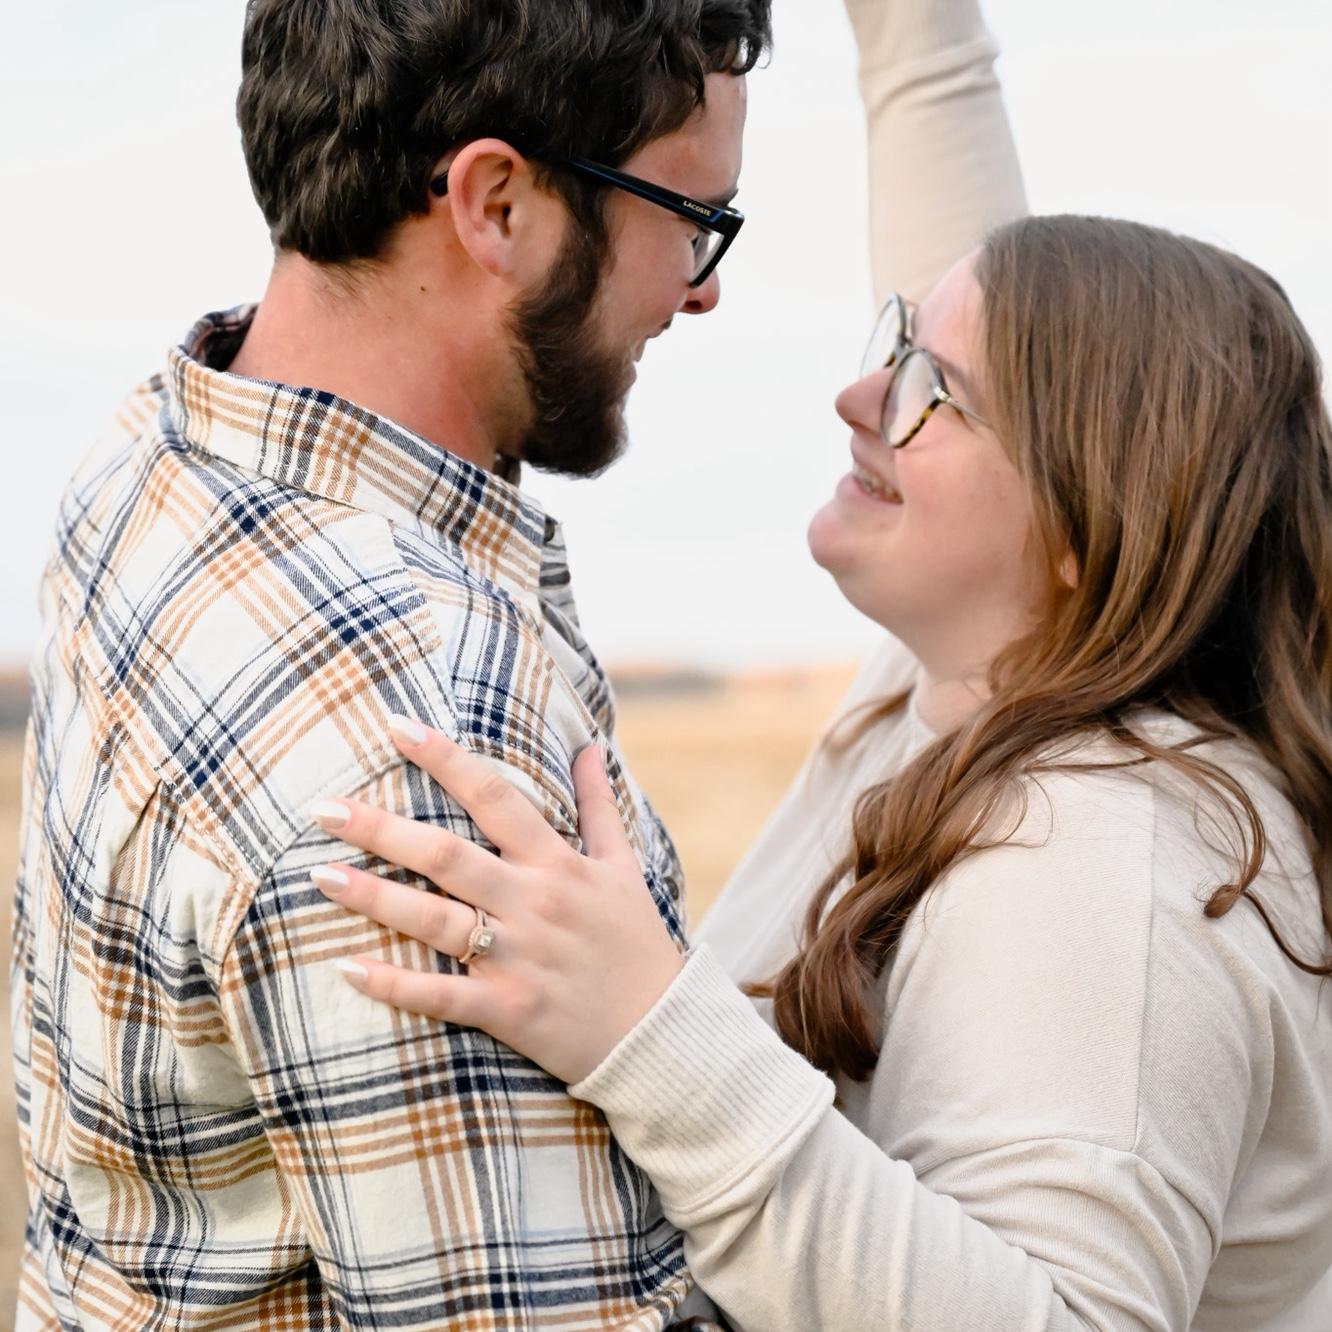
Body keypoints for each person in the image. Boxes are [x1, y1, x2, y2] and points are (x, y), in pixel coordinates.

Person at [308, 97, 1332, 1332]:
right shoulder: (968, 682)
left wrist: (652, 1032)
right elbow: (995, 302)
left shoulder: (1105, 863)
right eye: (897, 340)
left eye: (930, 389)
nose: (860, 396)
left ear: (1091, 515)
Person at [10, 2, 771, 1327]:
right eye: (690, 216)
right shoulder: (427, 717)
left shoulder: (156, 453)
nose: (702, 286)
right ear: (496, 205)